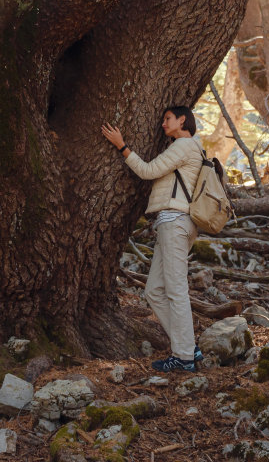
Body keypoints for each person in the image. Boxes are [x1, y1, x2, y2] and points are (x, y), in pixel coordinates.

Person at [100, 106, 206, 373]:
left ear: (183, 120)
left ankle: (183, 358)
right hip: (174, 223)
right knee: (154, 291)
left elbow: (148, 171)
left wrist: (122, 146)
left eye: (167, 118)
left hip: (175, 222)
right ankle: (188, 347)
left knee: (176, 290)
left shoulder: (184, 144)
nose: (162, 123)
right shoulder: (191, 147)